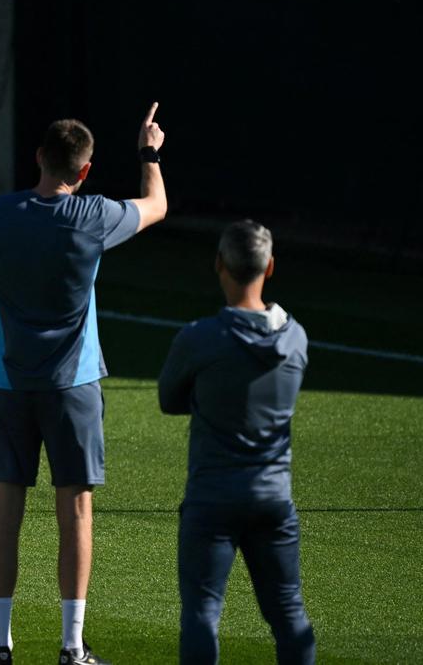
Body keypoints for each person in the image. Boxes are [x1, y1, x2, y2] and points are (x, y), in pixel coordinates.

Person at [0, 104, 168, 665]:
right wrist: (149, 152)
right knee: (75, 511)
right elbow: (158, 205)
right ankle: (72, 647)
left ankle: (0, 647)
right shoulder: (93, 216)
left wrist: (7, 297)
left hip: (7, 385)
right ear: (86, 170)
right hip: (74, 387)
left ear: (39, 158)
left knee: (6, 513)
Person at [158, 220, 316, 664]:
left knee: (202, 614)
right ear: (270, 268)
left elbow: (169, 399)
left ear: (219, 265)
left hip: (212, 498)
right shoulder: (296, 339)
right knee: (288, 614)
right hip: (273, 499)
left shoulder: (198, 339)